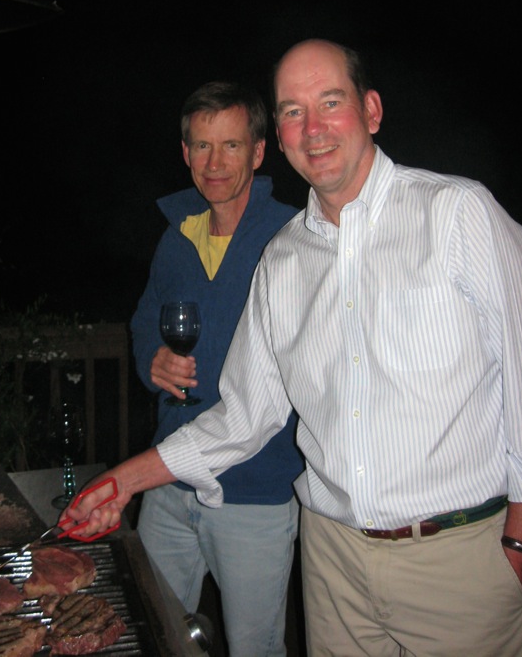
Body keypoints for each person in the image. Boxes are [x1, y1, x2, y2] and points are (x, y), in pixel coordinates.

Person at [63, 40, 522, 656]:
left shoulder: (455, 213)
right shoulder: (283, 260)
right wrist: (124, 481)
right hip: (332, 563)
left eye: (329, 102)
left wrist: (520, 539)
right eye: (291, 111)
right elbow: (245, 414)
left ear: (372, 110)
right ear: (279, 137)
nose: (312, 128)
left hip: (457, 558)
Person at [128, 81, 304, 657]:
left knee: (255, 647)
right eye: (201, 147)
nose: (215, 163)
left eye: (231, 146)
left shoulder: (292, 236)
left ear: (258, 152)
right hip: (167, 481)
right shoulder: (176, 236)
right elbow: (144, 321)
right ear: (185, 153)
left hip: (254, 488)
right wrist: (150, 358)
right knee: (159, 634)